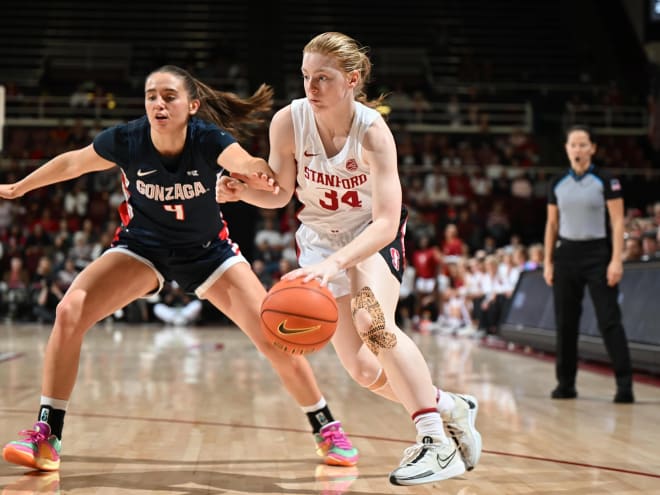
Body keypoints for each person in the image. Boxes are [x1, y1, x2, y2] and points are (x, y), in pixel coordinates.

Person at [1, 65, 358, 472]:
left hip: (209, 253)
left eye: (169, 96)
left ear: (192, 106)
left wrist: (254, 171)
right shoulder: (127, 139)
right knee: (69, 311)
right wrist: (17, 187)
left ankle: (325, 425)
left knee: (272, 337)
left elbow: (241, 159)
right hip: (143, 247)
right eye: (152, 95)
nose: (158, 103)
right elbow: (72, 164)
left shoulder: (207, 139)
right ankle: (47, 434)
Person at [216, 32, 481, 486]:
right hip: (319, 240)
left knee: (373, 322)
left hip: (370, 238)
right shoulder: (288, 121)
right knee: (361, 369)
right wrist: (244, 193)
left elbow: (385, 220)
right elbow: (281, 193)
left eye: (323, 78)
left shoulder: (373, 132)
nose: (310, 87)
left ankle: (436, 442)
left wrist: (336, 265)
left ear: (352, 79)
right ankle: (450, 405)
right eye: (305, 77)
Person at [543, 125, 634, 403]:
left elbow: (618, 222)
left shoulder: (606, 181)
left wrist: (616, 259)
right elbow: (552, 224)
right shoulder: (557, 183)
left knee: (609, 320)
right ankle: (566, 384)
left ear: (592, 148)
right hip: (566, 255)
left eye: (584, 145)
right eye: (573, 144)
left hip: (597, 254)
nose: (578, 149)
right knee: (566, 323)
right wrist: (548, 261)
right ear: (567, 148)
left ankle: (624, 385)